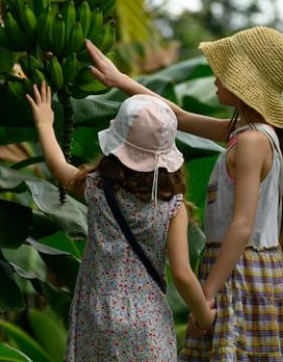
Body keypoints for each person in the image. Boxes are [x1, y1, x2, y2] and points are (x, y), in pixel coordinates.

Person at [85, 25, 283, 361]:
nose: (215, 76)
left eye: (224, 70)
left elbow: (242, 226)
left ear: (244, 83)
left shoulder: (251, 142)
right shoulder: (245, 131)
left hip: (239, 269)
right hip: (233, 265)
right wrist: (122, 81)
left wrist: (208, 293)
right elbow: (181, 117)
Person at [26, 82, 216, 361]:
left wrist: (44, 122)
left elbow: (59, 167)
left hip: (96, 315)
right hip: (146, 321)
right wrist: (204, 317)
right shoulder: (173, 207)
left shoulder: (97, 188)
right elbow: (182, 275)